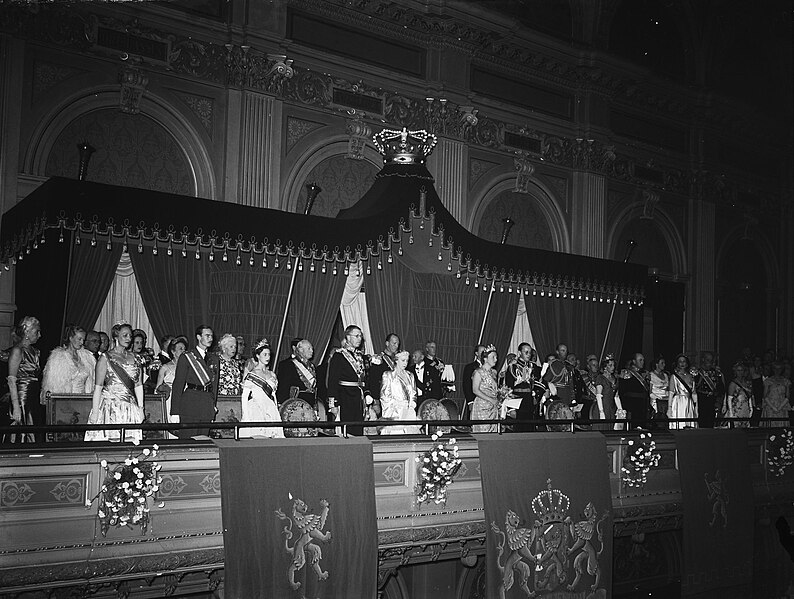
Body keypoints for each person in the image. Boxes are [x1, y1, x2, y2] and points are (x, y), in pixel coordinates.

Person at [85, 322, 144, 443]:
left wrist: (141, 408)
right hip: (110, 407)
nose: (128, 338)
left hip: (129, 407)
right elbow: (98, 387)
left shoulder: (136, 358)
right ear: (116, 337)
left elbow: (138, 385)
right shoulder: (105, 358)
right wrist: (95, 412)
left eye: (130, 336)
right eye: (125, 335)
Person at [170, 325, 219, 439]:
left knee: (203, 442)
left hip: (206, 405)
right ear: (198, 337)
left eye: (211, 336)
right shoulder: (187, 357)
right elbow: (178, 384)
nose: (210, 338)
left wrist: (213, 405)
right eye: (207, 335)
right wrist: (174, 411)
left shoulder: (215, 359)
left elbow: (214, 386)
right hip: (190, 404)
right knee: (187, 441)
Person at [327, 325, 374, 436]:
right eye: (356, 336)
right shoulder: (339, 355)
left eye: (360, 336)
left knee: (359, 430)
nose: (359, 339)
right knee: (347, 431)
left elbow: (364, 378)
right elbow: (332, 381)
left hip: (359, 397)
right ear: (348, 337)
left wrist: (367, 393)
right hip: (345, 396)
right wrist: (332, 404)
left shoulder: (360, 356)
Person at [5, 316, 42, 443]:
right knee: (21, 431)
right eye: (37, 331)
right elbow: (11, 379)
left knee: (32, 429)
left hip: (32, 398)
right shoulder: (17, 350)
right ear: (27, 332)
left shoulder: (36, 352)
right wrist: (16, 406)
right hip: (21, 399)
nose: (39, 335)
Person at [40, 324, 96, 403]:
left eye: (83, 339)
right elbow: (53, 386)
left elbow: (92, 381)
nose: (82, 342)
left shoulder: (87, 358)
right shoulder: (58, 358)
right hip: (65, 402)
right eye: (79, 339)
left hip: (83, 400)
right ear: (71, 338)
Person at [240, 338, 283, 438]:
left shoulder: (272, 374)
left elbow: (273, 395)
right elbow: (244, 396)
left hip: (270, 408)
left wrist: (275, 409)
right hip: (256, 408)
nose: (268, 357)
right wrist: (245, 416)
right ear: (257, 355)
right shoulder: (252, 374)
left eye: (269, 354)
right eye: (265, 354)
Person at [277, 338, 326, 421]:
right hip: (295, 405)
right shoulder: (287, 364)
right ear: (300, 350)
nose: (312, 351)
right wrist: (283, 405)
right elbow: (283, 386)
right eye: (309, 349)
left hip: (310, 404)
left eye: (312, 348)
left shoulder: (312, 366)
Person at [379, 350, 421, 435]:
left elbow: (414, 393)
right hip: (395, 413)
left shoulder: (410, 375)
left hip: (409, 413)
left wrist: (411, 406)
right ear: (396, 360)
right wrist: (398, 405)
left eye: (407, 360)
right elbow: (384, 396)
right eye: (403, 360)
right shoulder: (388, 375)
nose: (405, 363)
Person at [155, 336, 188, 438]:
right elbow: (157, 389)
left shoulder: (189, 367)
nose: (184, 351)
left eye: (184, 349)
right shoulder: (165, 367)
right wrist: (164, 389)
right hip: (170, 400)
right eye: (180, 349)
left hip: (185, 398)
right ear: (173, 351)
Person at [505, 343, 543, 432]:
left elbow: (541, 380)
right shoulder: (513, 367)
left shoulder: (533, 367)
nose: (528, 355)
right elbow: (508, 388)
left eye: (530, 352)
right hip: (517, 401)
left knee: (530, 428)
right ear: (519, 353)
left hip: (530, 400)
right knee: (519, 429)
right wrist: (511, 408)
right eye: (526, 352)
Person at [589, 354, 624, 431]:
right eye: (610, 365)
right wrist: (601, 412)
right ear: (605, 367)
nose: (613, 367)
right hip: (601, 408)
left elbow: (616, 396)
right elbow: (598, 396)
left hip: (611, 408)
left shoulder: (614, 379)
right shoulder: (600, 378)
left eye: (613, 365)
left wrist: (620, 410)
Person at [367, 333, 400, 413]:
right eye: (394, 343)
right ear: (387, 343)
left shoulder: (397, 360)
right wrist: (375, 400)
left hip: (394, 399)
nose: (396, 346)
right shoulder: (378, 359)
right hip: (382, 399)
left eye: (398, 344)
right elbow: (373, 381)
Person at [472, 345, 500, 433]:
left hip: (493, 407)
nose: (496, 359)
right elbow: (475, 390)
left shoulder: (494, 373)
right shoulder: (478, 372)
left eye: (496, 357)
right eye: (493, 357)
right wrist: (490, 399)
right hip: (482, 407)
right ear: (485, 359)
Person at [619, 353, 651, 429]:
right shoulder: (627, 373)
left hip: (643, 405)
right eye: (640, 360)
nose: (642, 362)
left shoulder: (645, 373)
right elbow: (622, 391)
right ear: (634, 361)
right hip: (631, 405)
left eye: (643, 360)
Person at [696, 351, 725, 428]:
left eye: (711, 360)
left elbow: (721, 388)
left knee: (711, 422)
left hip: (712, 400)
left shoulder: (716, 373)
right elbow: (694, 387)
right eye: (707, 360)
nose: (709, 362)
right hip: (701, 399)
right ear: (703, 359)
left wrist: (718, 399)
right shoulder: (697, 372)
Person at [668, 354, 698, 429]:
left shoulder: (691, 376)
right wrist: (669, 408)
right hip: (678, 402)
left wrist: (696, 408)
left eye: (684, 361)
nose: (682, 363)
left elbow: (694, 393)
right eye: (680, 361)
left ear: (687, 363)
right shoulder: (674, 376)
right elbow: (671, 393)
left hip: (689, 402)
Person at [761, 361, 791, 427]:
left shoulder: (786, 381)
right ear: (773, 369)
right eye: (775, 368)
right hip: (770, 407)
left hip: (782, 406)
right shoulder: (768, 381)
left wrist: (779, 408)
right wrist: (773, 408)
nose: (777, 370)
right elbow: (765, 396)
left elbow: (787, 396)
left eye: (779, 368)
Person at [461, 344, 486, 419]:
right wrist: (470, 402)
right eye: (482, 352)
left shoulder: (489, 367)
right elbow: (466, 385)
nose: (483, 354)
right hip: (475, 400)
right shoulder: (469, 367)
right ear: (476, 353)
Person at [725, 362, 753, 427]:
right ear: (735, 371)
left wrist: (751, 409)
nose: (740, 372)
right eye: (738, 370)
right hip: (736, 411)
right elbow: (729, 399)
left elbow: (749, 397)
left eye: (741, 370)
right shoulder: (733, 384)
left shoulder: (747, 383)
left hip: (745, 410)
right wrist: (731, 414)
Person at [649, 355, 669, 428]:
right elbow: (650, 392)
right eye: (662, 363)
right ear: (656, 364)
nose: (664, 365)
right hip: (655, 401)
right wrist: (659, 398)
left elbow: (667, 389)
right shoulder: (651, 375)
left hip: (666, 401)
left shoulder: (666, 375)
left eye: (664, 363)